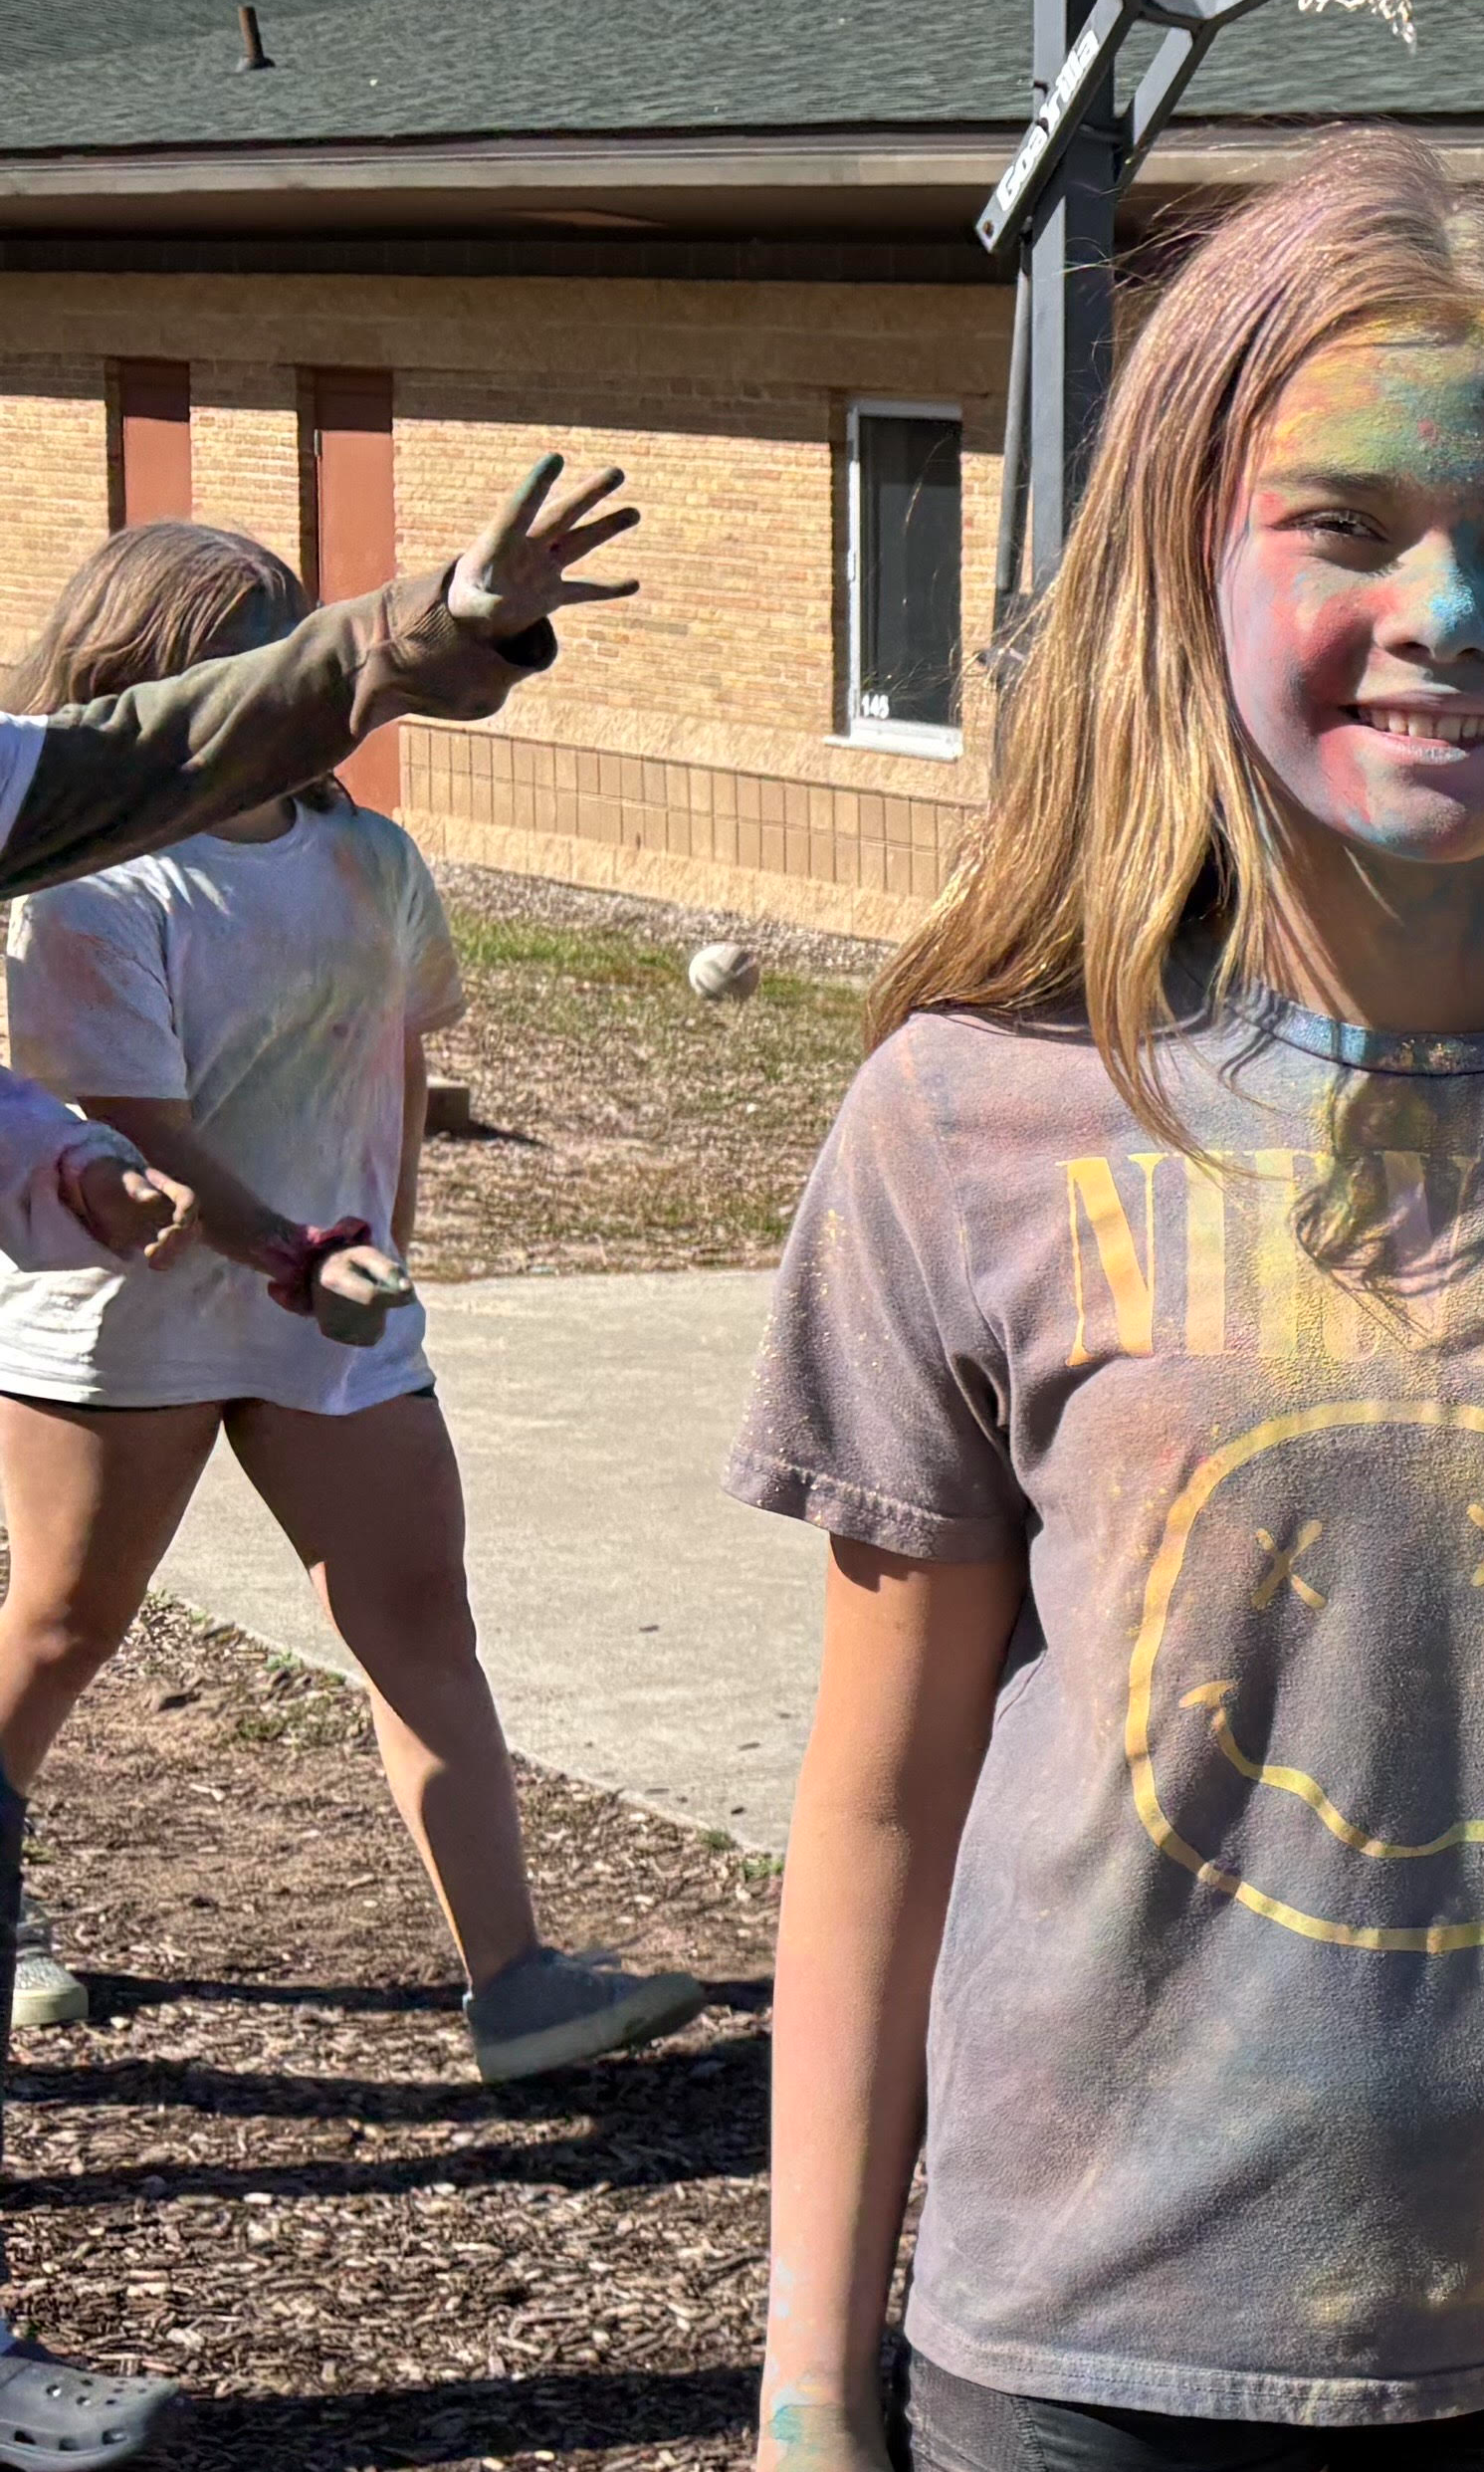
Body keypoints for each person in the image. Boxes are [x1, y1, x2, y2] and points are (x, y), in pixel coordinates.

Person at [731, 134, 1484, 2472]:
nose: (1452, 610)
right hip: (1075, 2353)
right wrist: (804, 2381)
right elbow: (881, 1793)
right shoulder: (972, 1111)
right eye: (1348, 524)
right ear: (1189, 554)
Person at [0, 443, 638, 2472]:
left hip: (329, 1309)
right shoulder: (99, 864)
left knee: (417, 1614)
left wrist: (373, 1245)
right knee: (59, 1624)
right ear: (156, 685)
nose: (299, 681)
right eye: (258, 653)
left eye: (309, 645)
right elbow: (101, 1112)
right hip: (139, 1312)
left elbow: (401, 1054)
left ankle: (514, 1972)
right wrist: (255, 1230)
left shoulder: (359, 856)